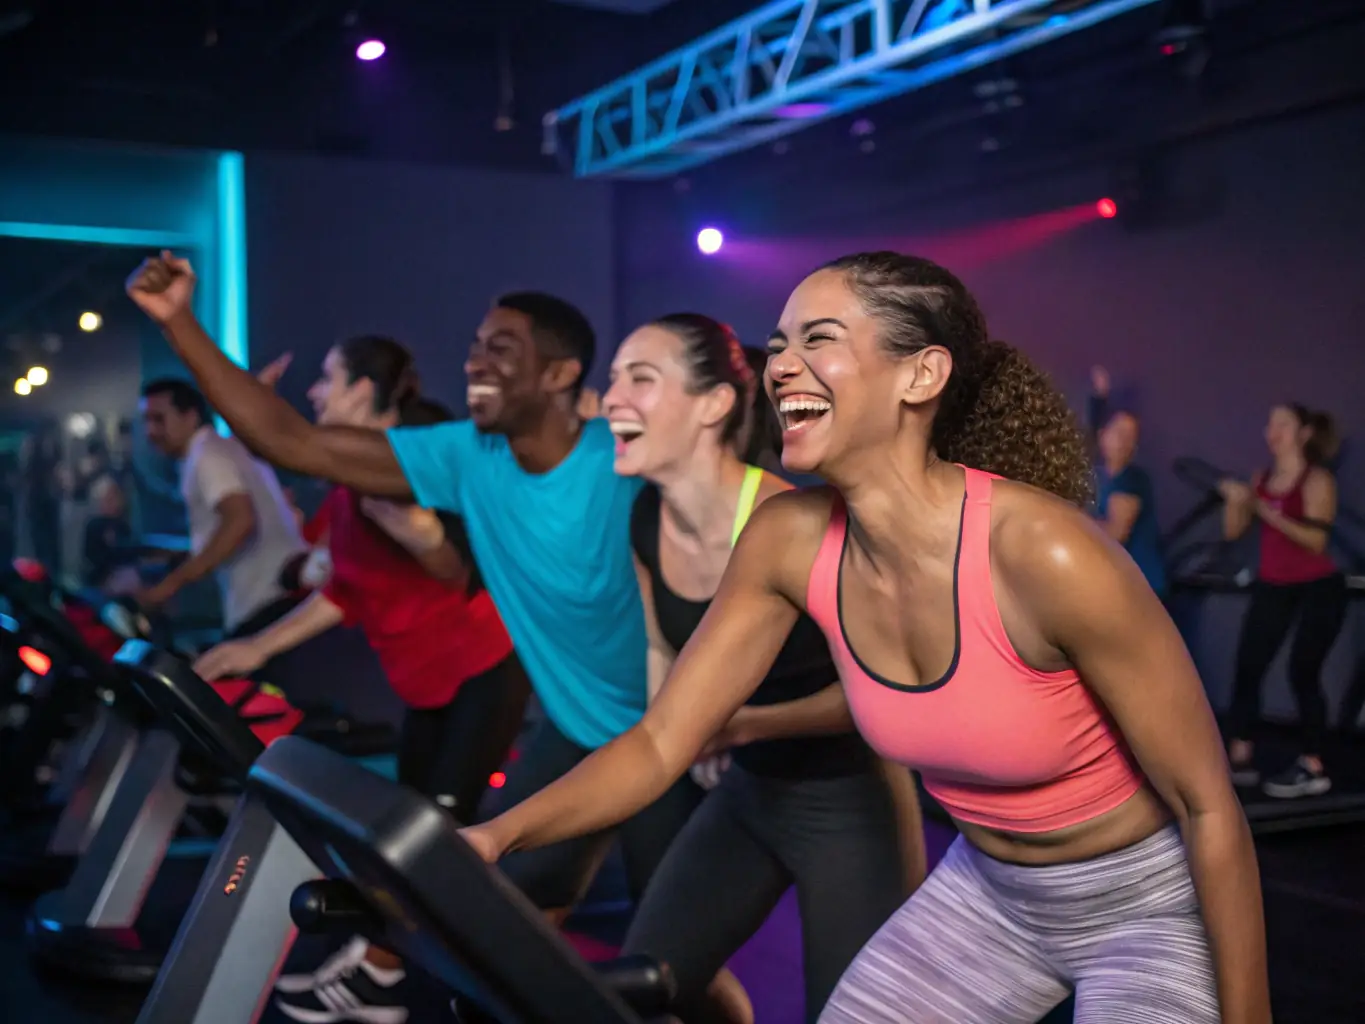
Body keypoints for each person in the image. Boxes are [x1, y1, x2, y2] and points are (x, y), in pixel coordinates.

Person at [459, 252, 1269, 1024]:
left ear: (921, 373)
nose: (780, 365)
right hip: (987, 896)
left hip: (1144, 911)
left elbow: (1207, 806)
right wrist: (494, 836)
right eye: (777, 345)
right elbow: (661, 742)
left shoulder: (1045, 554)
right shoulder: (787, 538)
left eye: (818, 339)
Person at [125, 254, 701, 1021]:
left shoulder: (622, 458)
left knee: (674, 969)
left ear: (561, 374)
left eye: (501, 347)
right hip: (575, 731)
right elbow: (294, 442)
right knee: (493, 913)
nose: (473, 359)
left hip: (676, 734)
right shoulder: (464, 455)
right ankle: (382, 981)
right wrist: (178, 322)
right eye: (474, 343)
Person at [191, 337, 531, 1023]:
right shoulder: (358, 483)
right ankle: (384, 959)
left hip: (480, 670)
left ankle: (383, 976)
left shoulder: (404, 482)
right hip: (425, 681)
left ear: (370, 395)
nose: (317, 392)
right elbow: (344, 588)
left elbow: (448, 568)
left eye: (329, 378)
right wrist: (254, 648)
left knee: (435, 838)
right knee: (395, 831)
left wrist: (422, 532)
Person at [605, 312, 923, 1024]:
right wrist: (680, 731)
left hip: (849, 798)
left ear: (714, 404)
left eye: (639, 378)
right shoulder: (641, 520)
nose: (610, 397)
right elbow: (665, 647)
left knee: (852, 1013)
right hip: (749, 796)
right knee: (646, 985)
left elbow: (885, 694)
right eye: (612, 377)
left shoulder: (797, 520)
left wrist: (738, 723)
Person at [1219, 403, 1345, 799]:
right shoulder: (1261, 479)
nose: (1272, 430)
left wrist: (1262, 508)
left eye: (1282, 424)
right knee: (1248, 667)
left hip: (1318, 587)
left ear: (1303, 432)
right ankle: (1239, 758)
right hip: (1273, 586)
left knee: (1302, 672)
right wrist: (1235, 501)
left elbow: (1315, 540)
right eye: (1269, 422)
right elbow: (1233, 533)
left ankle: (1313, 765)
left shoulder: (1317, 480)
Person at [137, 378, 306, 636]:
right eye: (146, 421)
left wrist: (170, 585)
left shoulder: (206, 455)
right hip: (278, 597)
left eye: (159, 419)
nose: (150, 431)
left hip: (267, 603)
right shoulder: (213, 449)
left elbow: (240, 520)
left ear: (191, 416)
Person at [1087, 366, 1166, 597]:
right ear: (1103, 435)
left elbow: (1115, 533)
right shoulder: (1098, 476)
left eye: (1131, 436)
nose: (1125, 441)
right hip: (1119, 587)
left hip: (1143, 592)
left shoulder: (1134, 479)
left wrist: (1068, 520)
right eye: (1119, 432)